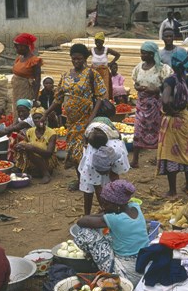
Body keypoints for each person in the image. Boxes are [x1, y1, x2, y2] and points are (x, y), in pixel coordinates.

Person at [41, 43, 106, 189]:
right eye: (73, 59)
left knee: (82, 152)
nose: (76, 61)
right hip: (70, 121)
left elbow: (101, 97)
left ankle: (89, 180)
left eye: (79, 59)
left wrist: (91, 118)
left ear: (85, 59)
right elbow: (58, 98)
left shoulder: (91, 74)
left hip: (85, 119)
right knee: (73, 151)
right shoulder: (66, 76)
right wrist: (46, 113)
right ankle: (81, 180)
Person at [75, 180, 149, 286]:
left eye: (105, 203)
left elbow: (81, 221)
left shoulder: (117, 220)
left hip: (125, 273)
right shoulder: (135, 207)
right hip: (142, 265)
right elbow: (104, 216)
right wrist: (106, 212)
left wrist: (103, 213)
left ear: (116, 204)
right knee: (108, 234)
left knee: (86, 232)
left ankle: (91, 261)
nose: (103, 206)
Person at [158, 49, 188, 200]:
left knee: (171, 153)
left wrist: (171, 110)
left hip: (173, 119)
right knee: (186, 152)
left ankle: (172, 191)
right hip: (184, 118)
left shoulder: (170, 80)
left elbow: (166, 100)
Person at [131, 41, 172, 168]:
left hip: (156, 104)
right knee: (138, 129)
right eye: (141, 53)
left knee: (158, 130)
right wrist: (138, 87)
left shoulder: (162, 69)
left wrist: (155, 90)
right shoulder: (138, 68)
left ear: (152, 54)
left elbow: (168, 85)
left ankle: (158, 157)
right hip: (141, 104)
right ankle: (135, 159)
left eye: (144, 53)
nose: (142, 55)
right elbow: (135, 83)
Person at [78, 121, 130, 215]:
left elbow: (115, 179)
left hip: (105, 129)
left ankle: (114, 208)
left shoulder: (117, 153)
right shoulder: (91, 162)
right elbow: (97, 188)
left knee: (112, 185)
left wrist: (116, 202)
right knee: (88, 188)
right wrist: (105, 207)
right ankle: (87, 215)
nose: (105, 174)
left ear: (111, 165)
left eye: (106, 171)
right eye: (101, 172)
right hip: (93, 130)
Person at [15, 107, 58, 184]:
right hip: (33, 158)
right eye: (35, 118)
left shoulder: (51, 133)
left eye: (40, 117)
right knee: (22, 146)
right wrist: (19, 146)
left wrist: (33, 148)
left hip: (47, 160)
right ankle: (25, 169)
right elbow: (25, 142)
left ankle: (46, 174)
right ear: (33, 120)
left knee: (30, 149)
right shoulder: (30, 131)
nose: (38, 120)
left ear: (45, 118)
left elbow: (49, 154)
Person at [11, 33, 42, 115]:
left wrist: (35, 99)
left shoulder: (34, 61)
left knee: (24, 110)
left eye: (17, 47)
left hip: (26, 91)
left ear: (24, 46)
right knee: (16, 109)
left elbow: (38, 81)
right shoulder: (19, 58)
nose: (16, 49)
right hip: (17, 91)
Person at [91, 32, 121, 99]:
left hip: (104, 73)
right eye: (96, 42)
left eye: (99, 42)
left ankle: (104, 104)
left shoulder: (106, 50)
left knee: (105, 89)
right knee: (94, 89)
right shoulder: (92, 50)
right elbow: (83, 56)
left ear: (103, 42)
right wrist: (86, 66)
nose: (97, 44)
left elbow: (117, 55)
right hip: (94, 73)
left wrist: (111, 63)